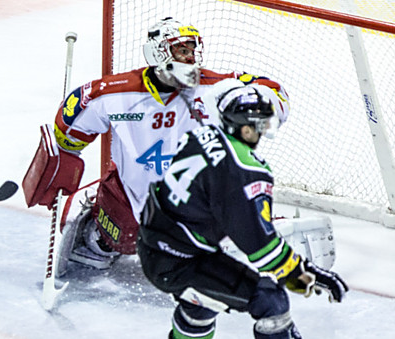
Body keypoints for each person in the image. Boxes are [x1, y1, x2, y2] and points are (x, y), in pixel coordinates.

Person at [22, 17, 290, 274]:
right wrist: (63, 160)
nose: (190, 57)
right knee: (122, 237)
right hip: (132, 194)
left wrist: (257, 101)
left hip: (196, 196)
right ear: (156, 54)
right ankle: (97, 234)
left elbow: (272, 91)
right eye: (180, 49)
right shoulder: (115, 93)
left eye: (192, 50)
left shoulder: (214, 87)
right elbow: (69, 130)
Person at [137, 86, 348, 339]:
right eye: (262, 124)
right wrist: (302, 273)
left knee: (203, 303)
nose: (264, 131)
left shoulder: (200, 134)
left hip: (158, 245)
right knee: (271, 301)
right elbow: (262, 249)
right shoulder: (244, 171)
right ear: (246, 128)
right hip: (180, 263)